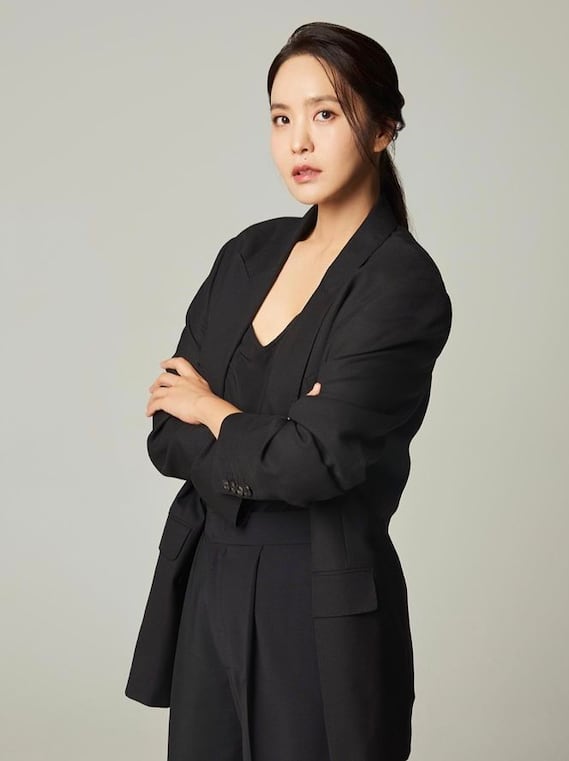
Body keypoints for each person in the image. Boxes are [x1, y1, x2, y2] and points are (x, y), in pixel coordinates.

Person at [128, 20, 452, 761]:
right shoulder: (247, 255)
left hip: (318, 601)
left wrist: (213, 408)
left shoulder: (400, 283)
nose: (298, 141)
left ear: (383, 129)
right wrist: (261, 433)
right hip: (209, 583)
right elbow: (166, 433)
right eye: (281, 118)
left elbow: (313, 462)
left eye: (325, 113)